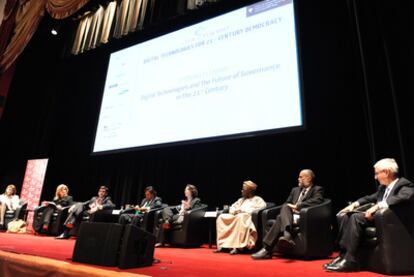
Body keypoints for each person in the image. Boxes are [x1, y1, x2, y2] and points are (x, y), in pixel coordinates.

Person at [324, 158, 414, 272]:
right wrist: (354, 205)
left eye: (377, 173)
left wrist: (378, 206)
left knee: (356, 217)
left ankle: (350, 260)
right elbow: (369, 198)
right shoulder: (383, 188)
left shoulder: (404, 184)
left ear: (386, 172)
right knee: (347, 215)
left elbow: (404, 197)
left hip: (393, 223)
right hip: (379, 219)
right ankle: (343, 256)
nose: (375, 177)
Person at [252, 169, 324, 259]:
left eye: (301, 177)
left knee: (279, 217)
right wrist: (290, 207)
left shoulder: (317, 189)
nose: (298, 179)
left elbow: (317, 200)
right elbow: (287, 203)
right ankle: (287, 236)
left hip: (304, 216)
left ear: (309, 178)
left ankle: (267, 249)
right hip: (290, 215)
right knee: (285, 207)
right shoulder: (295, 190)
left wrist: (298, 206)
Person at [214, 180, 267, 255]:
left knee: (240, 217)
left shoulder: (258, 199)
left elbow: (261, 207)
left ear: (249, 191)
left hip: (246, 217)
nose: (241, 191)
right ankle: (223, 245)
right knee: (221, 217)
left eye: (243, 189)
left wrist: (242, 210)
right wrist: (234, 211)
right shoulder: (241, 200)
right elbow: (232, 206)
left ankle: (237, 247)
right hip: (236, 216)